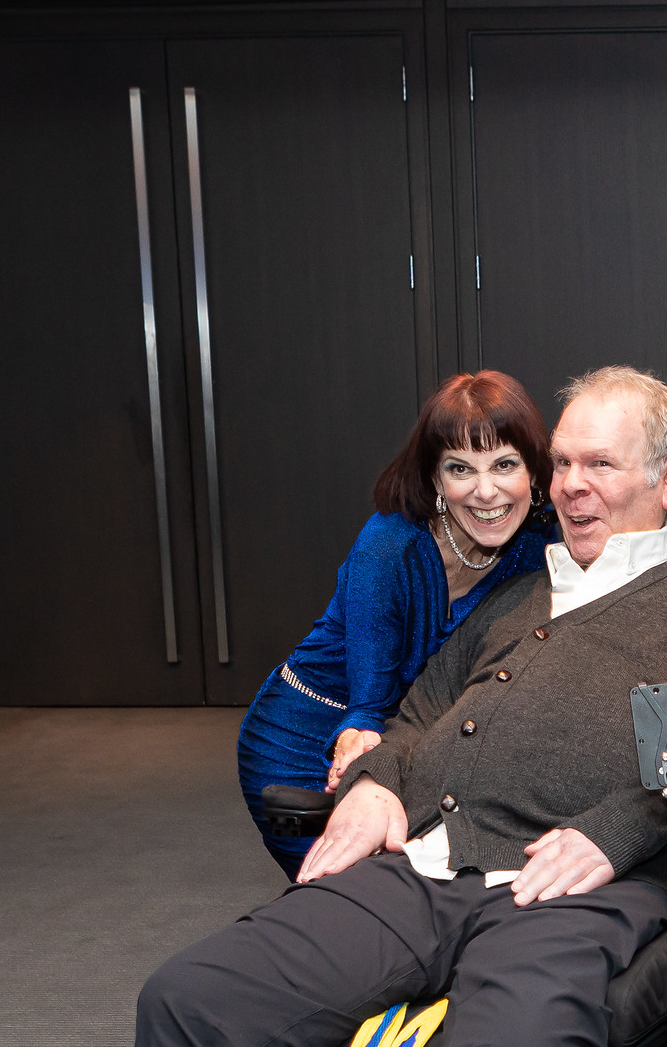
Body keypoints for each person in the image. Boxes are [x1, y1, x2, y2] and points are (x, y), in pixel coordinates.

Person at [117, 367, 667, 1047]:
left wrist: (622, 824)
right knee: (189, 1002)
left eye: (599, 464)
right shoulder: (521, 597)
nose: (570, 486)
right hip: (424, 864)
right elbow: (416, 715)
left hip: (575, 885)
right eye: (560, 464)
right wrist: (374, 786)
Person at [236, 371, 556, 877]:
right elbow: (369, 707)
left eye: (505, 464)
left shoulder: (537, 544)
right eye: (461, 469)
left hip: (408, 741)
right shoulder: (389, 547)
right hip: (305, 733)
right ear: (435, 479)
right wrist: (360, 744)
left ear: (536, 471)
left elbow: (625, 565)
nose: (486, 491)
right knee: (347, 901)